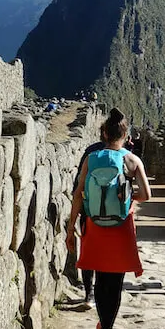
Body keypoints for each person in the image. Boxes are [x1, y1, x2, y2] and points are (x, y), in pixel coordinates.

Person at [66, 108, 152, 329]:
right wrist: (126, 196)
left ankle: (101, 327)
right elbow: (146, 195)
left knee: (101, 279)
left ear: (104, 133)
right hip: (121, 227)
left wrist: (71, 228)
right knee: (114, 283)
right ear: (126, 135)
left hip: (94, 226)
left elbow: (78, 195)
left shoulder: (91, 159)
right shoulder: (133, 161)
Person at [72, 124, 108, 308]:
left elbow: (78, 185)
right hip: (114, 216)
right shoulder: (127, 156)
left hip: (89, 211)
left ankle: (90, 293)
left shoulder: (91, 152)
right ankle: (103, 293)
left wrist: (72, 222)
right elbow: (143, 194)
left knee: (88, 252)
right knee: (108, 254)